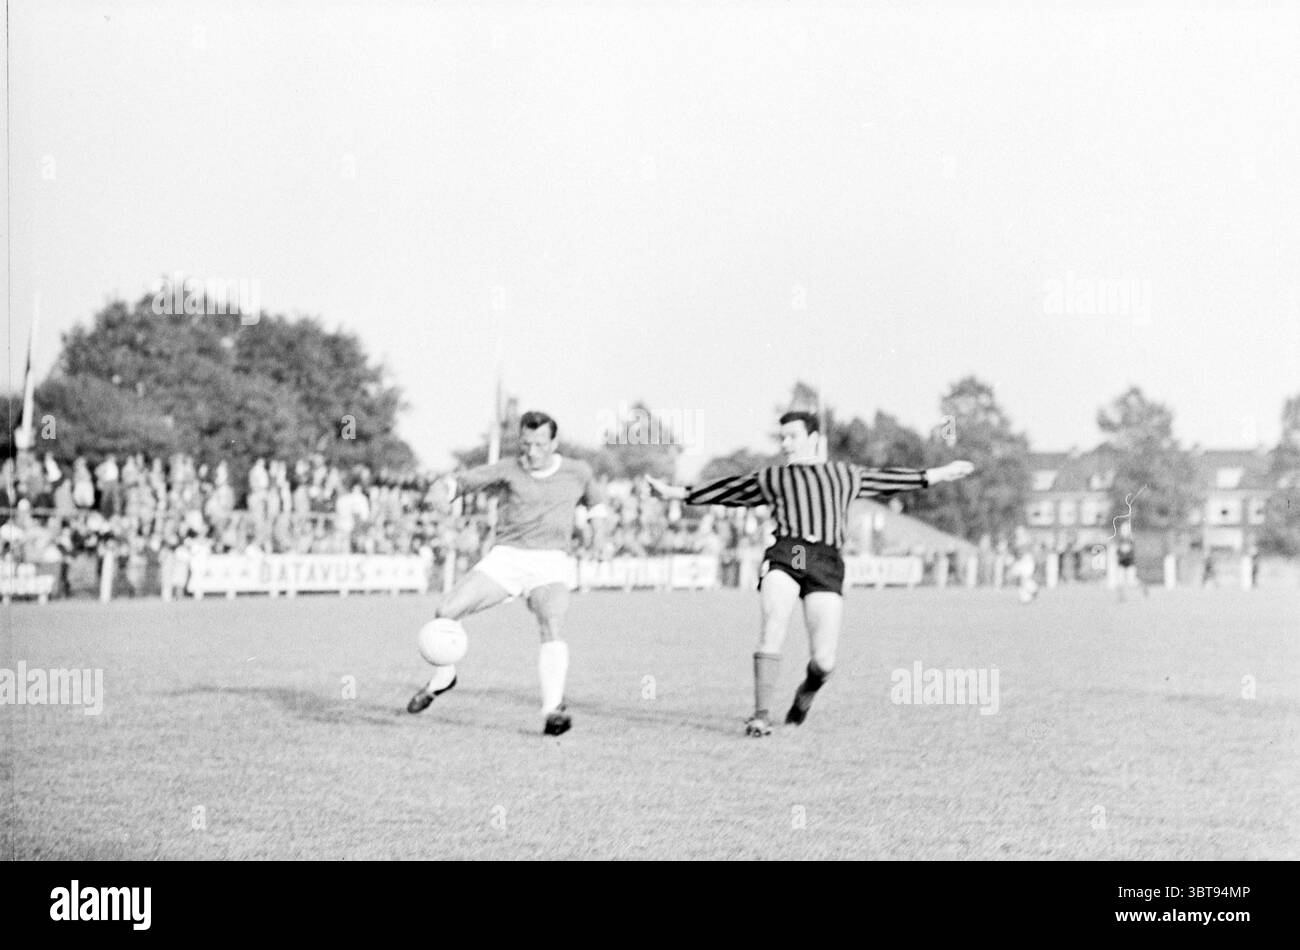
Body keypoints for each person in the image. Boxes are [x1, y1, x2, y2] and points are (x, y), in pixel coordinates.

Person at [647, 410, 974, 737]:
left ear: (814, 439)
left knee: (824, 661)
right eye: (783, 437)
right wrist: (674, 493)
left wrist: (940, 473)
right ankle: (760, 717)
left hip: (825, 560)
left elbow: (889, 479)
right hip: (788, 552)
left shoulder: (844, 475)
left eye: (793, 436)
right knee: (773, 624)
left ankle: (807, 692)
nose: (786, 443)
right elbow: (729, 490)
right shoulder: (775, 478)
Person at [405, 411, 610, 736]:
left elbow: (597, 505)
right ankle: (445, 677)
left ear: (554, 443)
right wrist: (440, 492)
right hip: (508, 559)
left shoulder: (577, 472)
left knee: (551, 620)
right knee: (445, 612)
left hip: (550, 561)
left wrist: (598, 538)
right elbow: (460, 481)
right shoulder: (507, 468)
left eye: (539, 444)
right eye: (525, 444)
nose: (531, 451)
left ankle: (553, 709)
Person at [1115, 520, 1147, 600]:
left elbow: (1130, 551)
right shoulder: (1120, 539)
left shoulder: (1131, 539)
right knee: (1120, 580)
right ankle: (1121, 597)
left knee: (1131, 582)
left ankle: (1143, 586)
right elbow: (1118, 551)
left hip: (1129, 562)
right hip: (1121, 562)